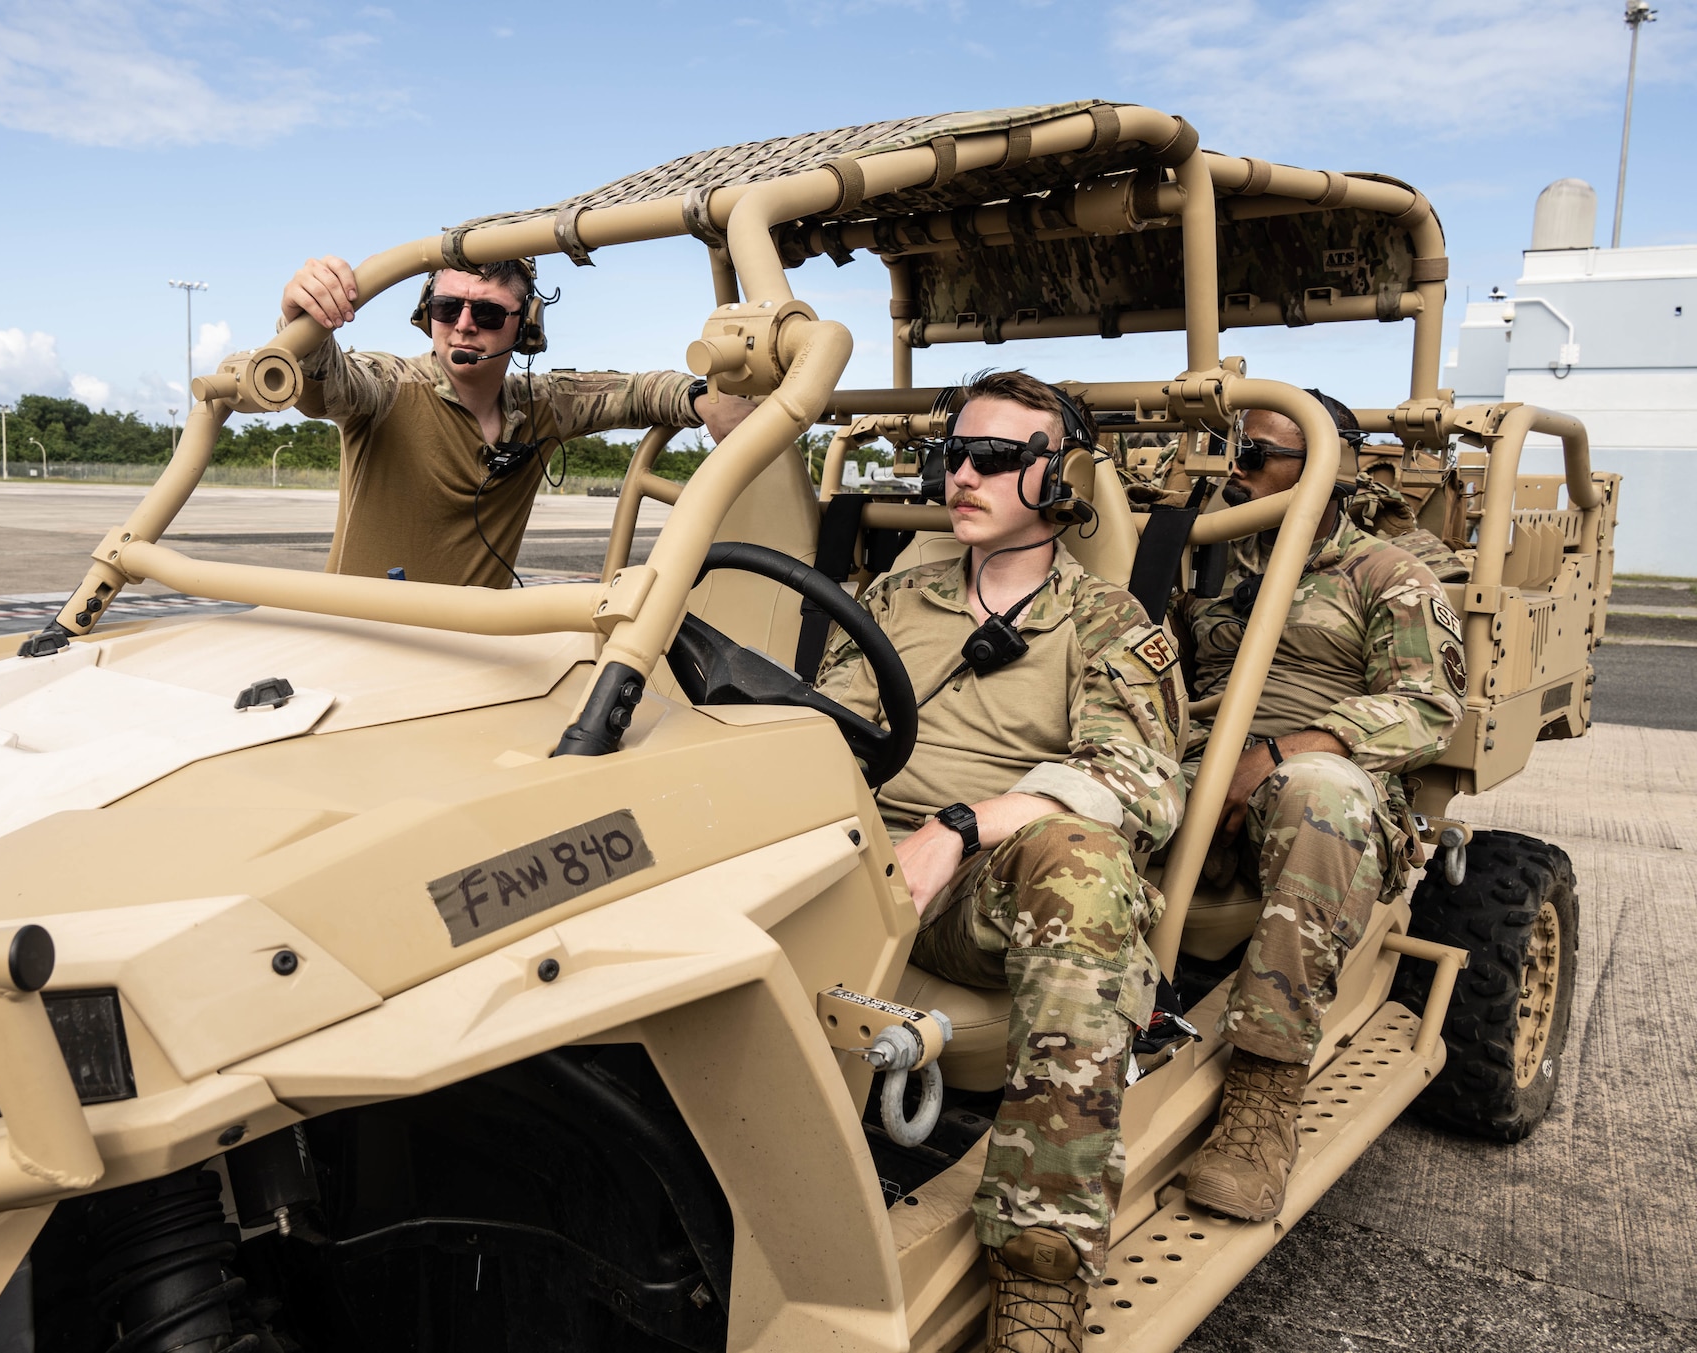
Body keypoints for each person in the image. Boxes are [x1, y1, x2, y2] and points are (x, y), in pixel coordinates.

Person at [816, 370, 1187, 1352]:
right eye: (951, 456)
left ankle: (1038, 1277)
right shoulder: (895, 594)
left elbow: (1137, 782)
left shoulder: (1107, 622)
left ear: (1060, 478)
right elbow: (817, 724)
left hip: (985, 888)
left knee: (1085, 870)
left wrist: (960, 830)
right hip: (850, 849)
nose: (961, 475)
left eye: (995, 458)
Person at [1172, 392, 1466, 1223]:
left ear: (1329, 465)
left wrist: (1282, 750)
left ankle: (1262, 1101)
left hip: (1314, 773)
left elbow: (1427, 706)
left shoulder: (1384, 573)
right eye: (1233, 444)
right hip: (1197, 753)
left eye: (1259, 450)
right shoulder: (1213, 556)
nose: (1237, 463)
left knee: (1322, 800)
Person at [278, 254, 754, 588]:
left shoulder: (541, 403)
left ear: (526, 326)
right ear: (428, 313)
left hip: (475, 659)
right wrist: (303, 320)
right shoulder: (388, 386)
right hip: (362, 648)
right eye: (447, 308)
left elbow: (634, 392)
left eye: (485, 313)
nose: (463, 324)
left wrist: (701, 398)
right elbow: (325, 383)